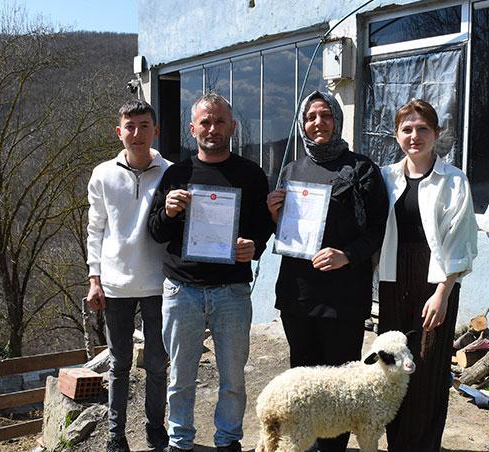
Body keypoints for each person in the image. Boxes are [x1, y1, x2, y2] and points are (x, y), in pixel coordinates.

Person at [148, 93, 274, 452]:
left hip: (231, 290)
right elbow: (155, 232)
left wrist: (254, 246)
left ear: (232, 127)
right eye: (205, 122)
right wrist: (168, 212)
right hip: (182, 290)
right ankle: (180, 441)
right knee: (180, 377)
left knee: (233, 378)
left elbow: (263, 226)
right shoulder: (177, 174)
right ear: (193, 129)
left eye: (220, 121)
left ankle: (228, 440)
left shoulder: (251, 174)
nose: (212, 128)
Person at [266, 90, 388, 452]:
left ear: (337, 119)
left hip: (343, 298)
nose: (318, 122)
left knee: (338, 387)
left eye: (325, 115)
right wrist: (274, 214)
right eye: (310, 117)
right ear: (302, 124)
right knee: (304, 380)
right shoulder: (292, 170)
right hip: (298, 295)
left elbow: (377, 230)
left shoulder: (361, 168)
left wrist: (346, 255)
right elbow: (286, 233)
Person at [377, 99, 478, 451]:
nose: (414, 136)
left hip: (434, 281)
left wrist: (442, 293)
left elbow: (460, 240)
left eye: (422, 128)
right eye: (407, 129)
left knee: (427, 367)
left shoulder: (453, 180)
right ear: (396, 135)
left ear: (436, 134)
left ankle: (423, 445)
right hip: (393, 279)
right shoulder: (386, 177)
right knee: (393, 365)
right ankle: (398, 444)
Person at [86, 99, 171, 452]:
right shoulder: (103, 175)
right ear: (118, 132)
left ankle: (156, 429)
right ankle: (115, 435)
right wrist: (94, 278)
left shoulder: (171, 172)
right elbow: (95, 229)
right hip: (115, 284)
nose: (137, 134)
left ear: (156, 131)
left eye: (144, 126)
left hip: (159, 283)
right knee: (119, 364)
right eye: (130, 127)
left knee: (157, 364)